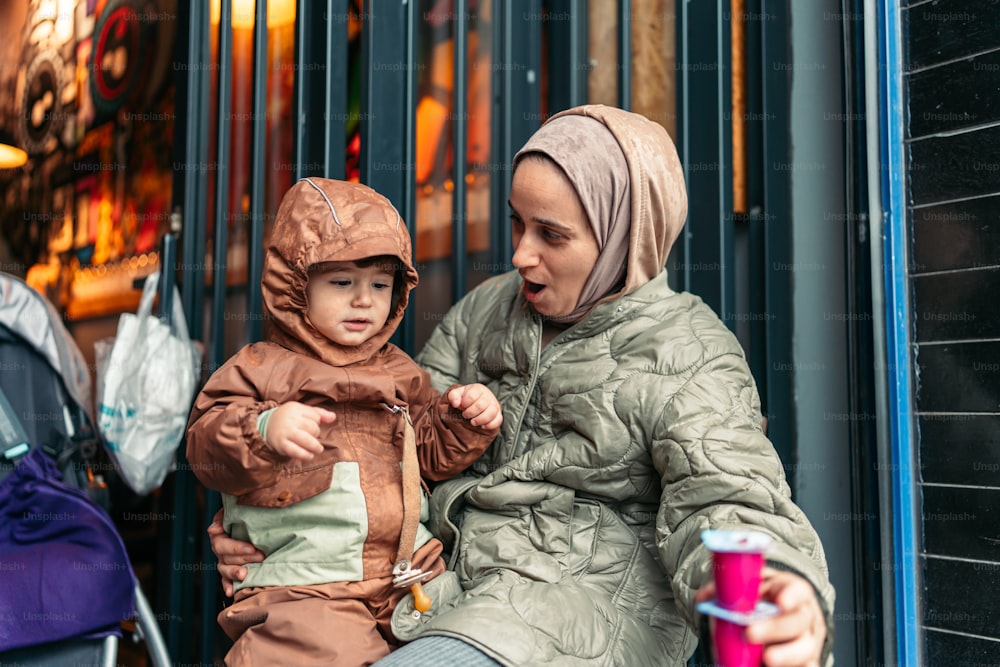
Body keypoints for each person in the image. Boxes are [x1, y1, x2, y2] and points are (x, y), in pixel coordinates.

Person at [209, 105, 835, 667]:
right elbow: (396, 446)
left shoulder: (688, 352)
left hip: (575, 610)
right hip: (436, 590)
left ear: (624, 234)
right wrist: (284, 519)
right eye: (518, 224)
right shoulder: (489, 309)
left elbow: (727, 499)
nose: (521, 255)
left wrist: (777, 589)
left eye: (552, 235)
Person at [186, 177, 503, 667]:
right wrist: (263, 430)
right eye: (342, 283)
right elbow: (207, 449)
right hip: (309, 586)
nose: (364, 301)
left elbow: (432, 458)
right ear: (295, 286)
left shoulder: (399, 370)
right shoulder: (259, 368)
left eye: (380, 285)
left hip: (412, 577)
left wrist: (465, 420)